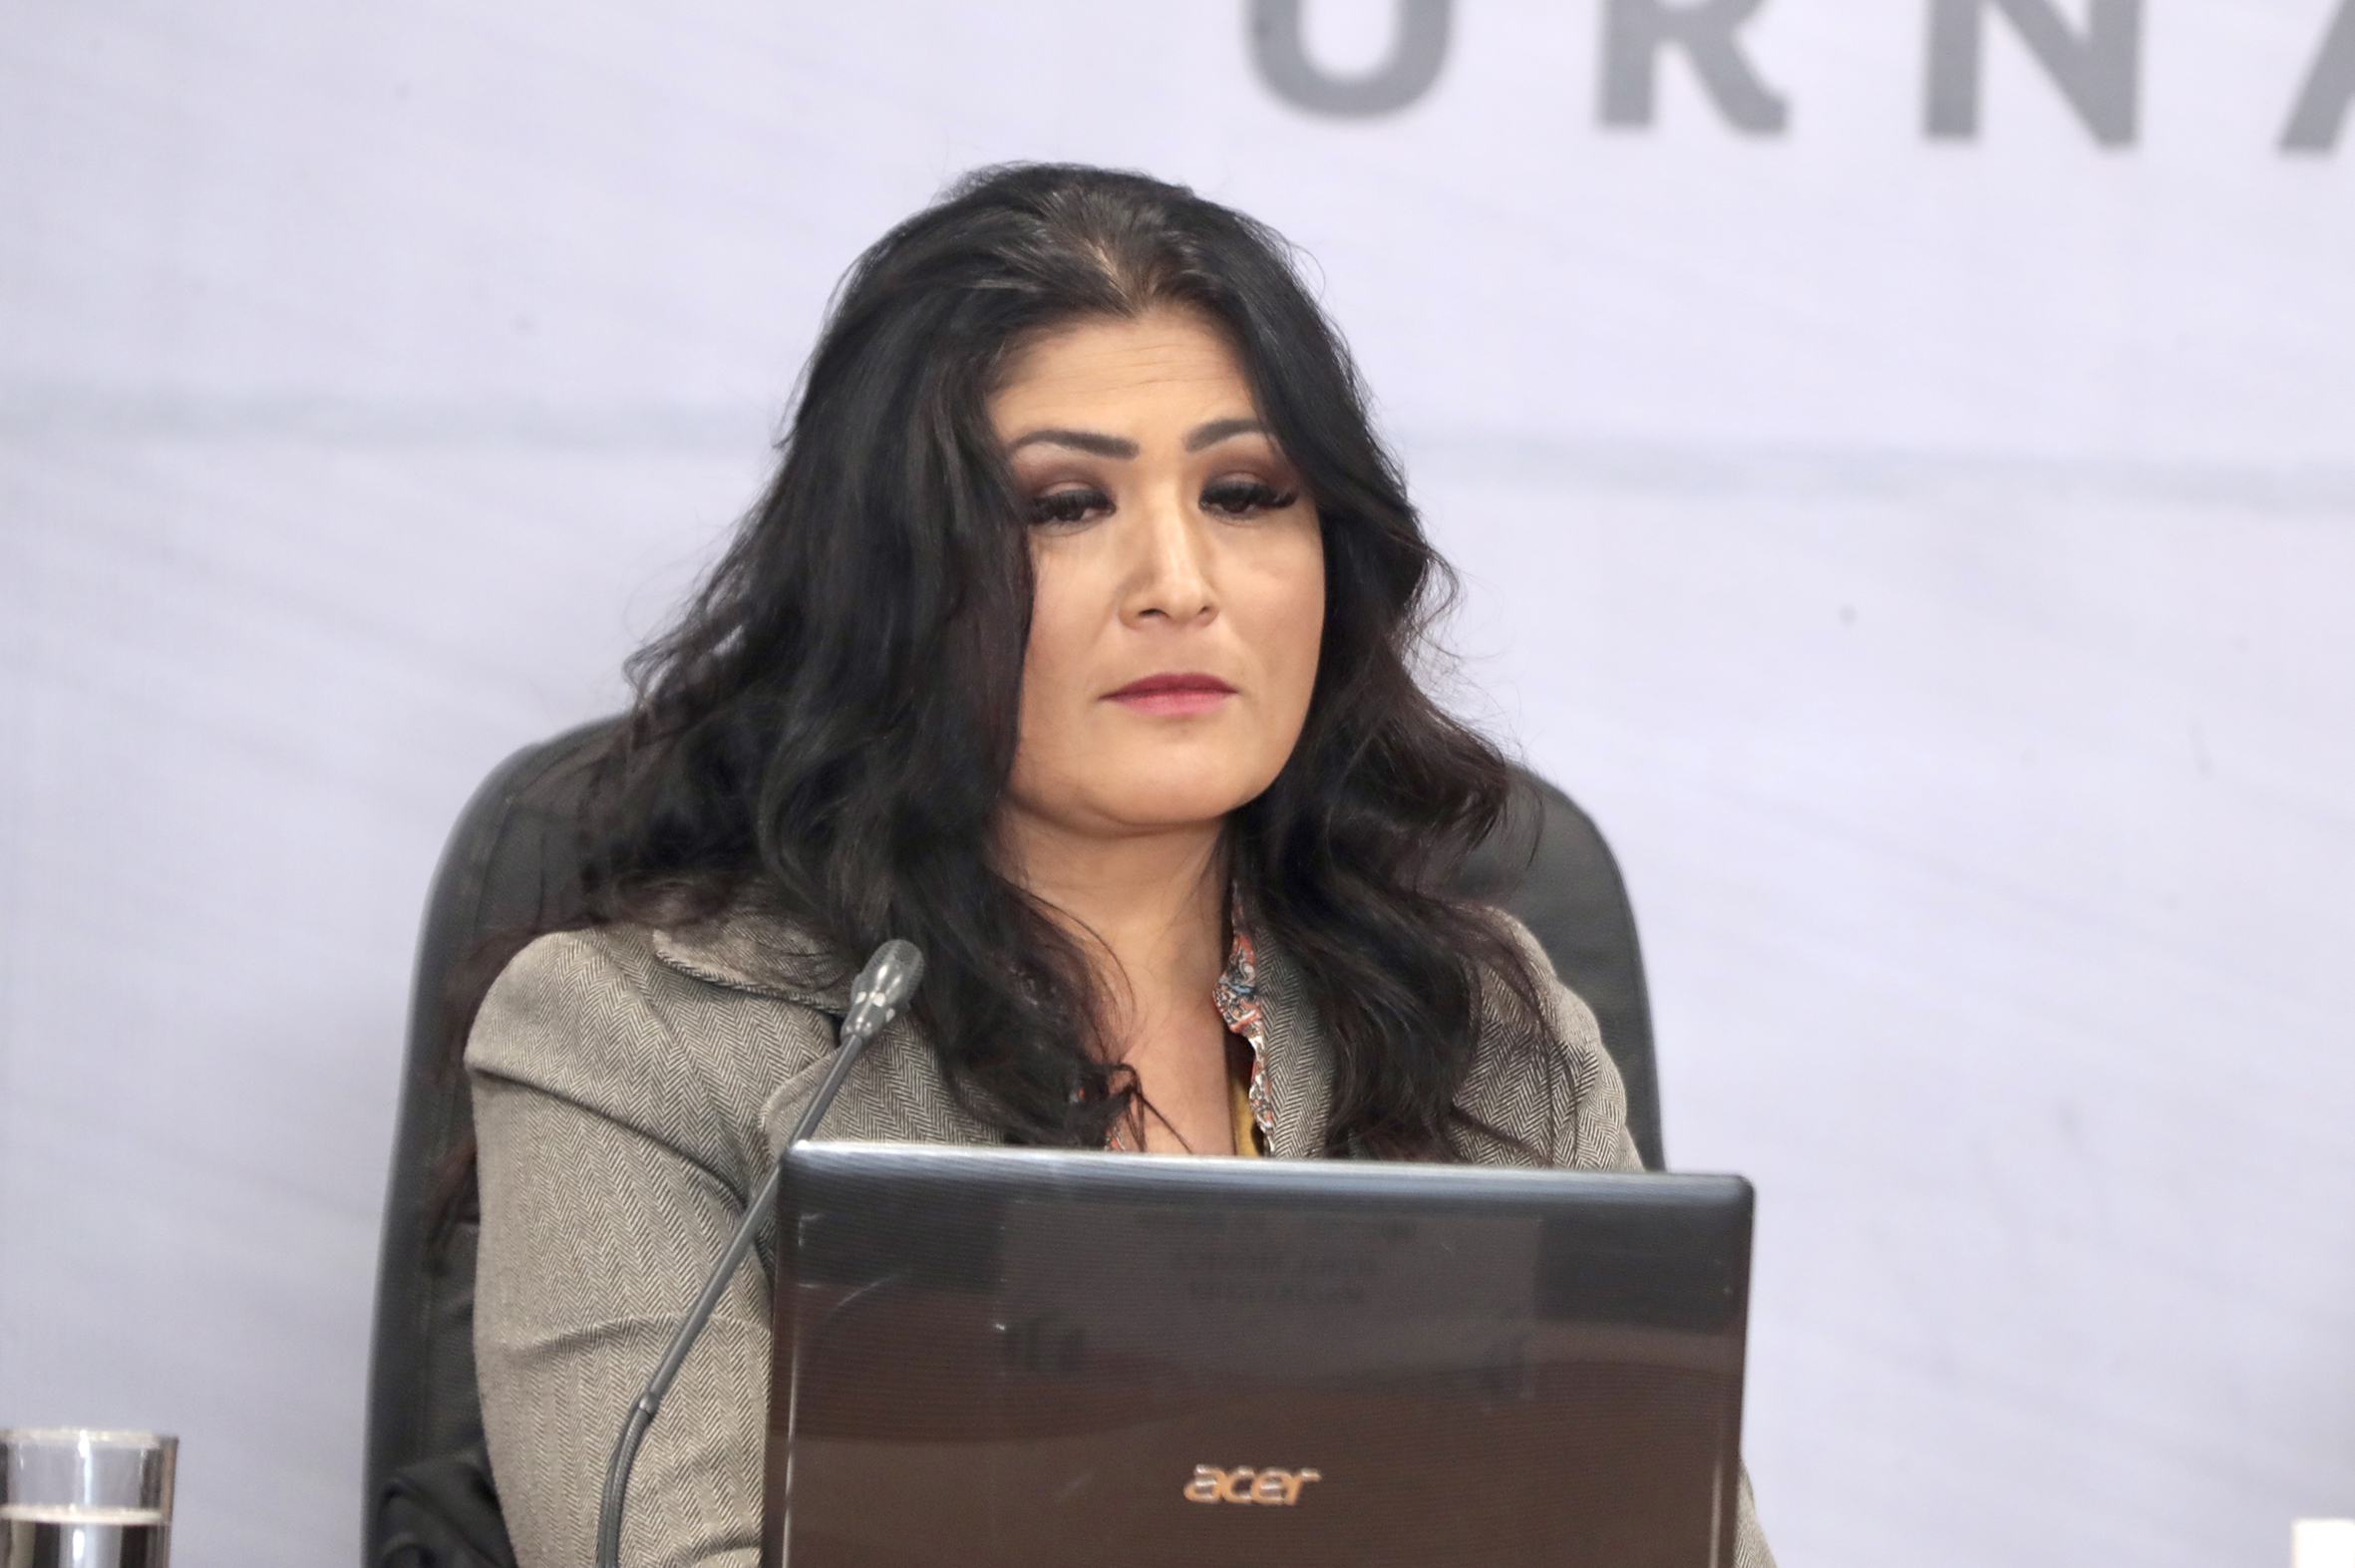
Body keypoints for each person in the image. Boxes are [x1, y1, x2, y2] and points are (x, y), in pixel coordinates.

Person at [466, 162, 1774, 1568]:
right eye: (1065, 505)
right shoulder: (631, 1041)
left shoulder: (1487, 1026)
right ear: (892, 575)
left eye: (1244, 492)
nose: (1179, 584)